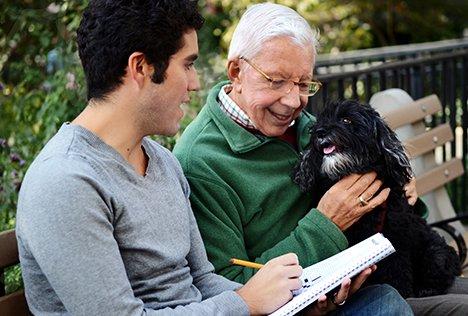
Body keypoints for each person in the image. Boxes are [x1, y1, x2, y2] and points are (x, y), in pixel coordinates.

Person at [16, 1, 319, 315]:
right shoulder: (65, 182)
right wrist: (244, 303)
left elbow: (201, 280)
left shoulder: (162, 161)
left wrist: (296, 300)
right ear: (141, 68)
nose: (196, 83)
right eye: (187, 65)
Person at [173, 2, 467, 315]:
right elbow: (231, 288)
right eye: (276, 81)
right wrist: (328, 224)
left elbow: (384, 198)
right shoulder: (201, 163)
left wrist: (399, 189)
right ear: (236, 72)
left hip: (379, 272)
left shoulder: (303, 127)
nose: (293, 100)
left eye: (304, 84)